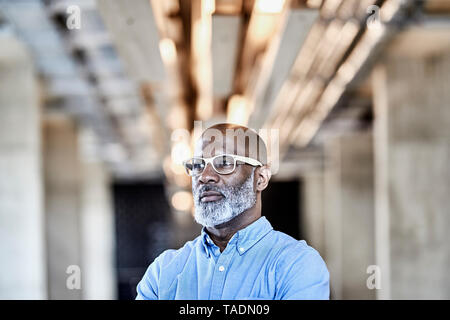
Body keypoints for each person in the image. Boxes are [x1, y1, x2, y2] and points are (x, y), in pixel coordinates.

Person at [136, 123, 329, 300]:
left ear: (260, 178)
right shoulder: (163, 271)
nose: (205, 176)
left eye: (225, 163)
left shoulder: (296, 264)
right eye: (198, 165)